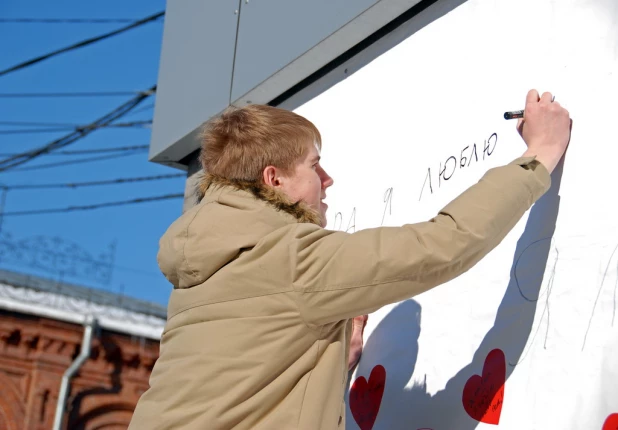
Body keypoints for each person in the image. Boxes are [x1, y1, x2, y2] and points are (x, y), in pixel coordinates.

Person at [129, 89, 571, 429]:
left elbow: (234, 385)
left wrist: (327, 360)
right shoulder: (290, 260)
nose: (328, 179)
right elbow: (442, 245)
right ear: (275, 179)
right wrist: (539, 156)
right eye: (314, 166)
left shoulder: (206, 272)